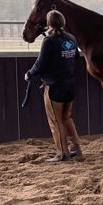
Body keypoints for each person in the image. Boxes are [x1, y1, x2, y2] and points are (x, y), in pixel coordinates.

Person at [25, 10, 83, 162]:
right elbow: (76, 57)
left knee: (56, 121)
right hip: (69, 84)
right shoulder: (71, 38)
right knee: (66, 117)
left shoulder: (49, 41)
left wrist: (29, 74)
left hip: (54, 86)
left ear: (48, 23)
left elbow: (41, 63)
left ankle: (62, 153)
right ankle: (76, 147)